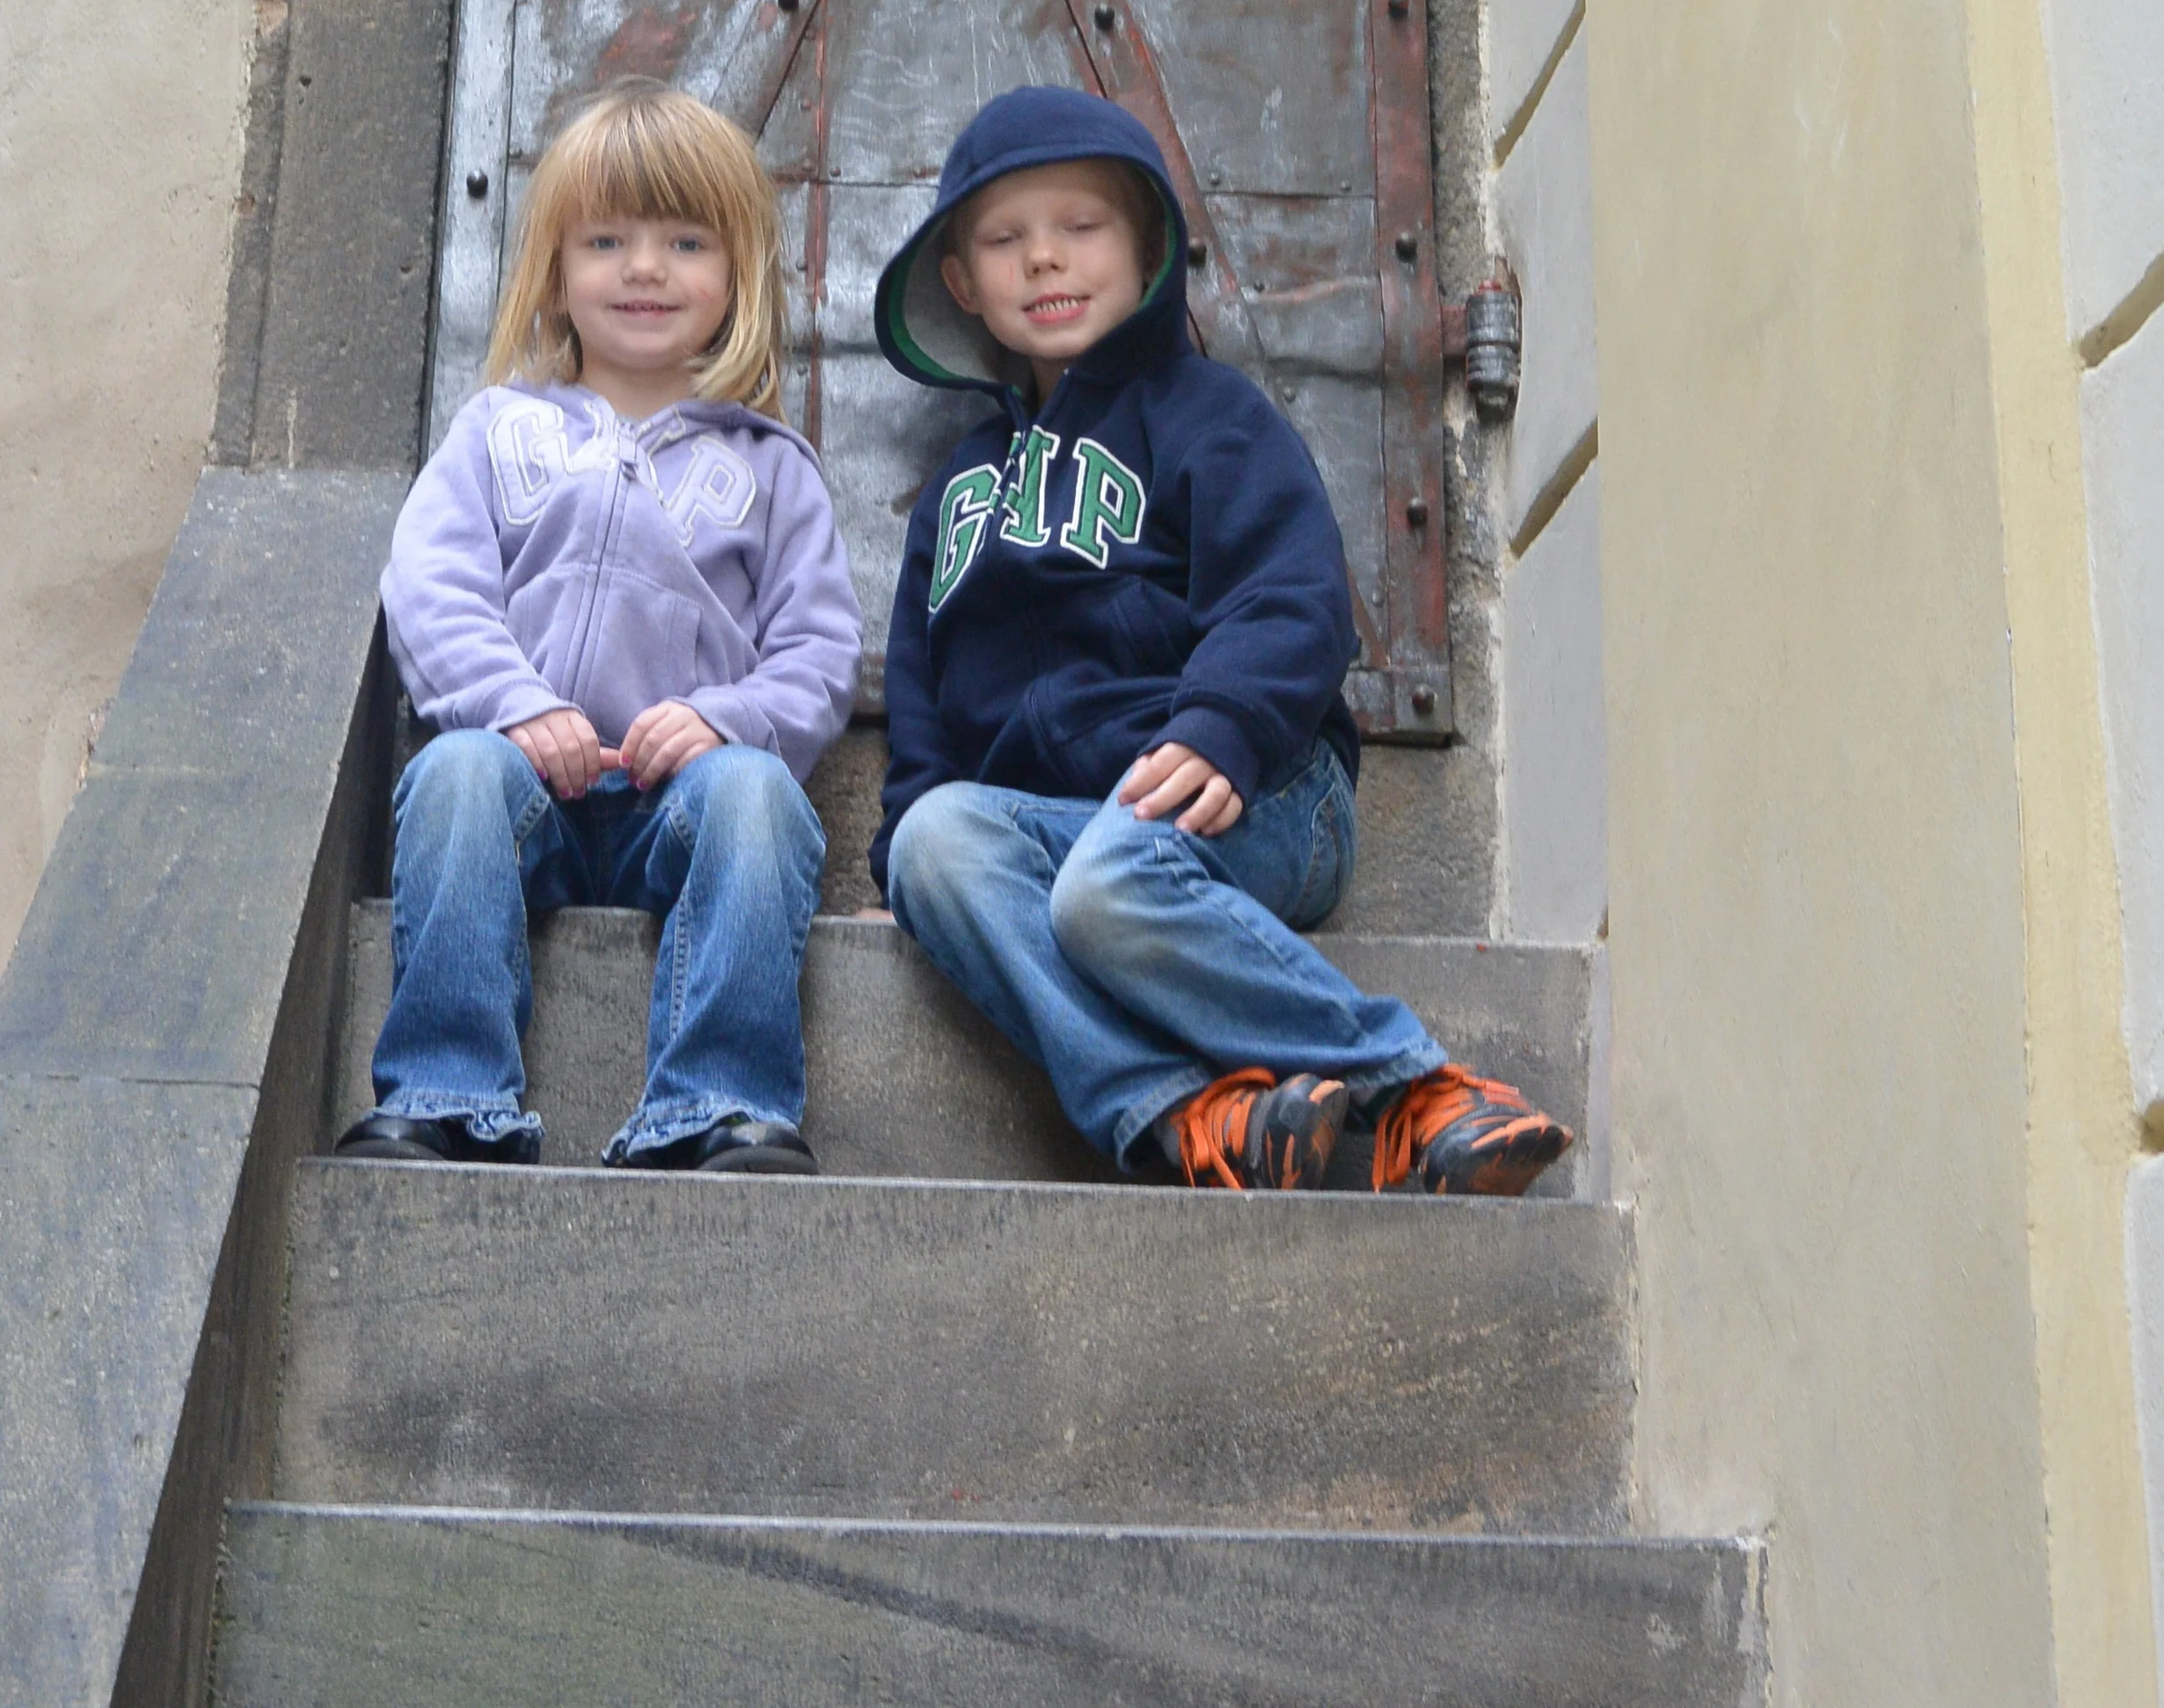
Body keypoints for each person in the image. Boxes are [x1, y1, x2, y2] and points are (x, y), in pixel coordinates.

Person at [871, 84, 1573, 1195]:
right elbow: (923, 685)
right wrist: (920, 844)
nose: (1043, 261)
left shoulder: (1207, 416)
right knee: (934, 845)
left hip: (1254, 793)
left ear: (1148, 249)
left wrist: (1221, 726)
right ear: (960, 282)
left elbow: (1293, 600)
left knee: (1106, 883)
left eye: (1081, 228)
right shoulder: (956, 495)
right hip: (1059, 832)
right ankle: (1195, 1114)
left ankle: (1414, 1085)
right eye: (1004, 241)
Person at [340, 79, 862, 1174]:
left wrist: (728, 721)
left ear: (737, 277)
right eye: (608, 240)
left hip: (684, 800)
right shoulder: (496, 433)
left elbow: (817, 657)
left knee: (759, 797)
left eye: (685, 241)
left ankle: (718, 1104)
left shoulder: (771, 470)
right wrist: (515, 708)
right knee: (453, 779)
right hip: (527, 790)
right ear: (557, 271)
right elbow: (430, 591)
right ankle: (449, 1091)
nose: (643, 268)